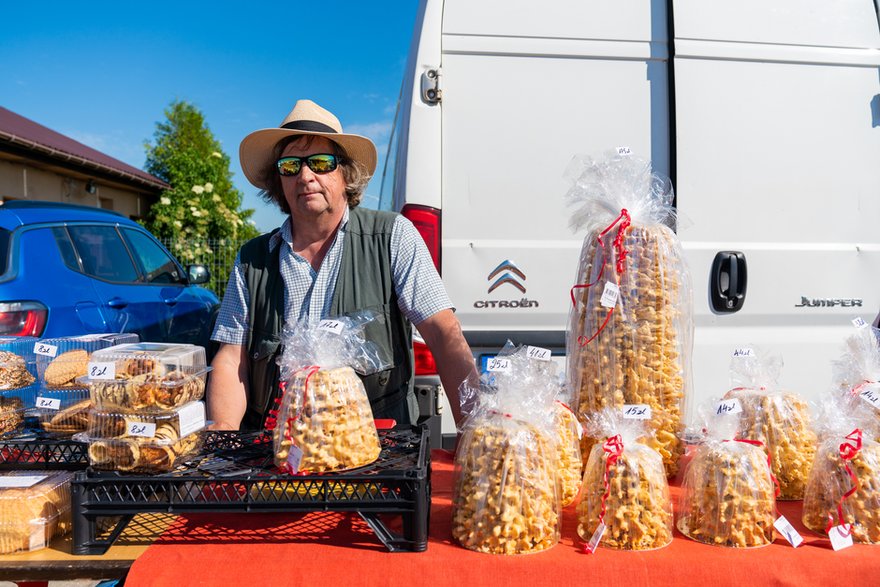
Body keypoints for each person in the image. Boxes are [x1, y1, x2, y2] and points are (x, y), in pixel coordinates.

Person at [207, 99, 476, 431]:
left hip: (377, 454)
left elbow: (442, 331)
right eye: (290, 165)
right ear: (279, 180)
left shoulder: (392, 236)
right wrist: (222, 441)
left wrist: (472, 429)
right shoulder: (252, 259)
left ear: (346, 175)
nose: (305, 176)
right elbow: (233, 359)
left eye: (320, 163)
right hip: (276, 454)